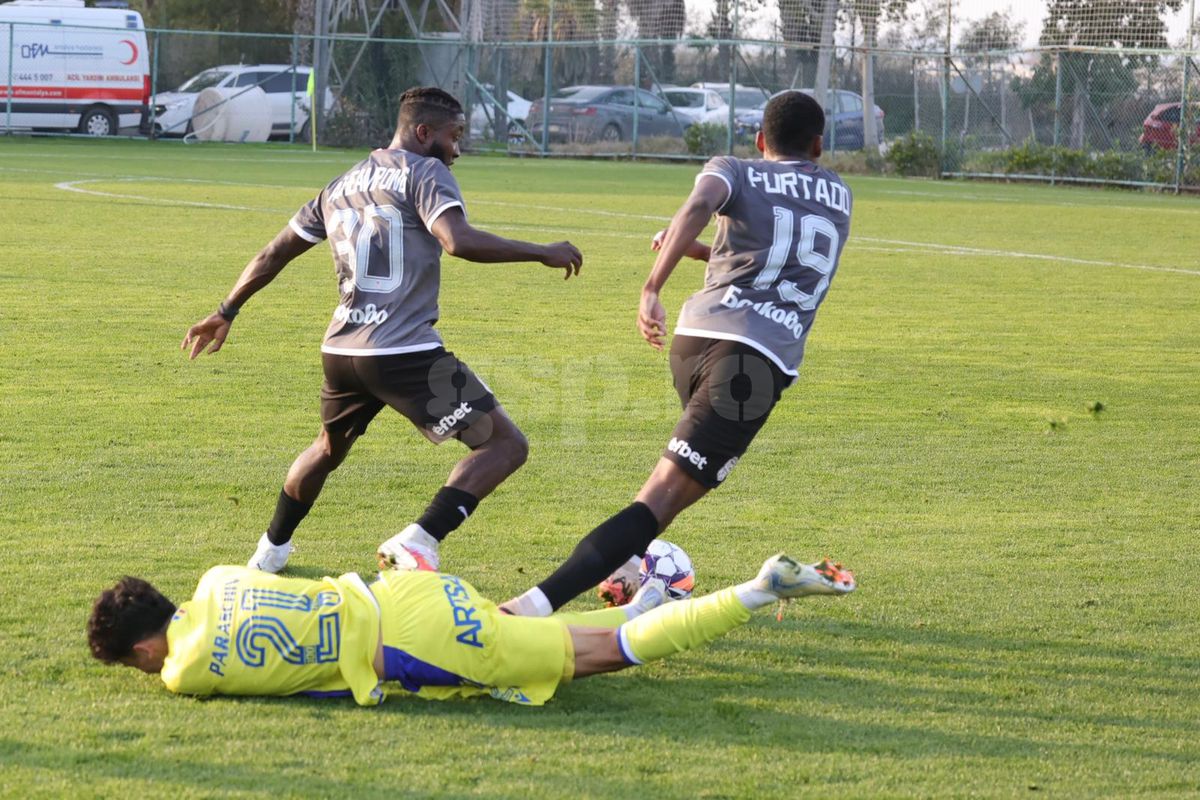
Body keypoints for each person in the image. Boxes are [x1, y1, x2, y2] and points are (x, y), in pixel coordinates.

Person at [181, 87, 583, 575]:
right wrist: (541, 250)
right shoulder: (424, 172)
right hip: (403, 352)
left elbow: (273, 253)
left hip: (342, 349)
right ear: (422, 132)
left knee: (327, 448)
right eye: (454, 136)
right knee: (504, 445)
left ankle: (270, 551)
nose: (457, 150)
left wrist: (226, 310)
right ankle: (420, 538)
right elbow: (457, 241)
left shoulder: (340, 184)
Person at [502, 91, 853, 616]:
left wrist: (655, 283)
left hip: (693, 340)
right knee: (660, 498)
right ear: (820, 145)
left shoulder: (735, 168)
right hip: (754, 362)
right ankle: (532, 606)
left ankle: (627, 565)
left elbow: (699, 206)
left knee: (674, 488)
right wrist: (662, 273)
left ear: (760, 141)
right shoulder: (839, 194)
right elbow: (778, 260)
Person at [86, 553, 855, 705]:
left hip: (417, 649)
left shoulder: (184, 673)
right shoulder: (218, 577)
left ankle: (755, 591)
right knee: (561, 650)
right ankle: (657, 590)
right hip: (408, 591)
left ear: (146, 647)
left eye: (135, 666)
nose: (149, 672)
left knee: (595, 661)